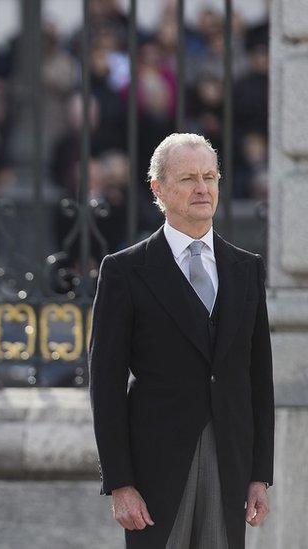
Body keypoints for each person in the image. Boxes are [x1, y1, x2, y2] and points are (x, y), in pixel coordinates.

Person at [90, 133, 274, 548]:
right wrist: (120, 483)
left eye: (210, 177)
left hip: (230, 461)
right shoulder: (124, 271)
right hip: (155, 468)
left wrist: (260, 475)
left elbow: (260, 377)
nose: (202, 188)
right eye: (188, 178)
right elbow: (105, 385)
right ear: (158, 189)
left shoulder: (246, 269)